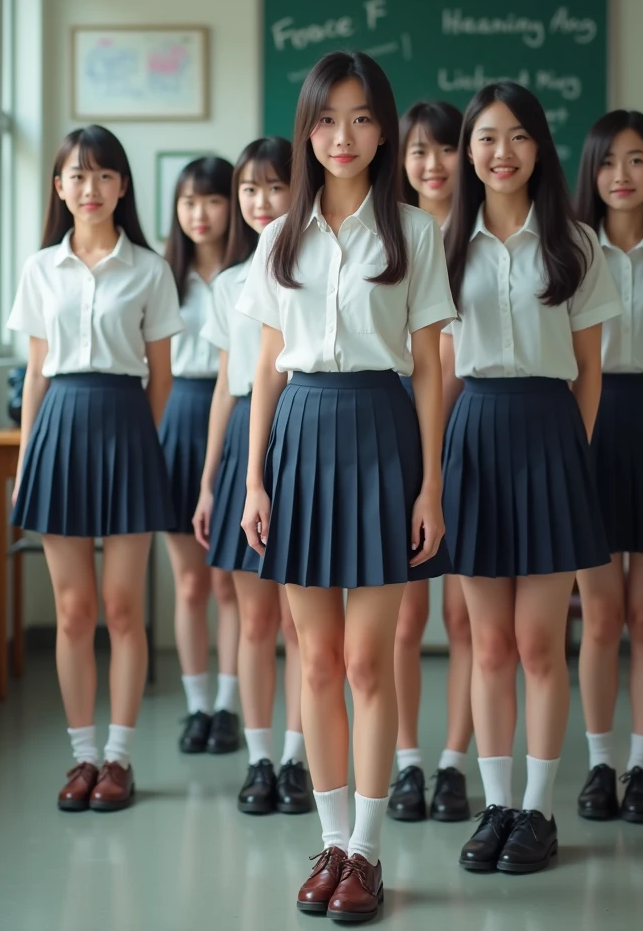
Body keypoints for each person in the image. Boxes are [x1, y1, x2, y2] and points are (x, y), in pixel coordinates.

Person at [237, 51, 454, 922]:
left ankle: (367, 851)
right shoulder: (277, 234)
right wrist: (253, 477)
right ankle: (330, 842)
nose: (344, 137)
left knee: (369, 661)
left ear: (385, 128)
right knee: (316, 661)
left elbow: (433, 368)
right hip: (298, 440)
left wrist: (431, 485)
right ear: (307, 128)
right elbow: (264, 366)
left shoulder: (414, 231)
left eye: (363, 119)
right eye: (328, 119)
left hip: (379, 431)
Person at [443, 82, 621, 874]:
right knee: (487, 646)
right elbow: (437, 370)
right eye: (485, 137)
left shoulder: (578, 244)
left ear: (540, 147)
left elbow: (590, 371)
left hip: (551, 434)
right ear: (467, 151)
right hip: (473, 433)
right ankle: (498, 807)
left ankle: (541, 812)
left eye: (517, 137)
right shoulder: (441, 244)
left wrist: (566, 455)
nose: (501, 152)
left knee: (539, 641)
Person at [9, 125, 182, 812]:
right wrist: (27, 462)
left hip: (124, 428)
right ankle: (82, 756)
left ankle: (119, 758)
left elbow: (161, 380)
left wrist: (144, 446)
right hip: (57, 430)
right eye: (78, 176)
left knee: (122, 607)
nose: (91, 188)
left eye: (104, 175)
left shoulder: (149, 268)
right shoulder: (39, 268)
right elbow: (36, 374)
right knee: (74, 611)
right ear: (59, 187)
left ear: (123, 186)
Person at [194, 137, 313, 815]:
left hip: (305, 437)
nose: (261, 201)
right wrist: (213, 482)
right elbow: (223, 390)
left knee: (301, 626)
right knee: (252, 618)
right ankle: (261, 758)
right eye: (249, 189)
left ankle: (299, 756)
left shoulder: (311, 265)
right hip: (245, 441)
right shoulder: (229, 283)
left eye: (273, 187)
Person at [574, 111, 643, 825]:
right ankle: (598, 764)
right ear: (591, 172)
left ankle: (641, 767)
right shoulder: (574, 251)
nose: (622, 176)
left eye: (637, 161)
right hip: (591, 429)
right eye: (609, 162)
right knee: (602, 615)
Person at [389, 100, 473, 824]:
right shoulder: (394, 235)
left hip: (478, 437)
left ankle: (453, 762)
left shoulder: (483, 232)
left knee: (468, 618)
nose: (433, 165)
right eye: (419, 151)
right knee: (404, 617)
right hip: (405, 437)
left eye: (445, 150)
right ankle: (407, 761)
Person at [160, 157, 241, 756]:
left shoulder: (252, 273)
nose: (199, 214)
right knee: (189, 584)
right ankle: (195, 707)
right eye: (188, 202)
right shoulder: (165, 277)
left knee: (229, 586)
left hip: (234, 420)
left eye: (211, 200)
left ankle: (229, 707)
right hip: (175, 421)